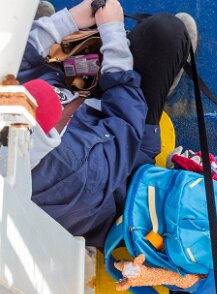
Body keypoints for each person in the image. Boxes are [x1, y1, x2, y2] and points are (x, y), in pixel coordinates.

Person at [14, 1, 197, 246]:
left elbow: (11, 66)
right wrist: (112, 34)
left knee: (20, 40)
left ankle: (66, 58)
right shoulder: (71, 169)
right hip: (123, 149)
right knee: (165, 33)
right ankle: (155, 81)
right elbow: (125, 119)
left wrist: (67, 21)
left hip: (79, 115)